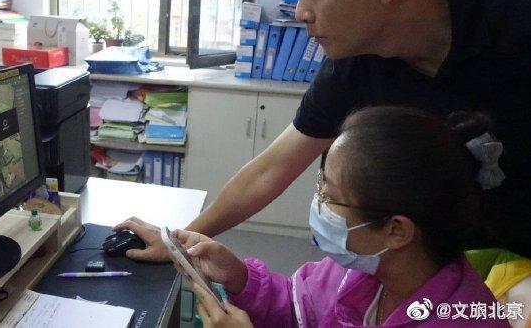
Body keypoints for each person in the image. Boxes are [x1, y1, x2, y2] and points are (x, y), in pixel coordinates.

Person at [115, 0, 531, 260]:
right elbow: (273, 168)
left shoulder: (517, 13)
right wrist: (178, 242)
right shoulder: (353, 64)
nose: (301, 12)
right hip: (462, 262)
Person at [170, 107, 510, 327]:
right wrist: (239, 276)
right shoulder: (362, 271)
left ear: (396, 231)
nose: (318, 204)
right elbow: (299, 309)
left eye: (330, 196)